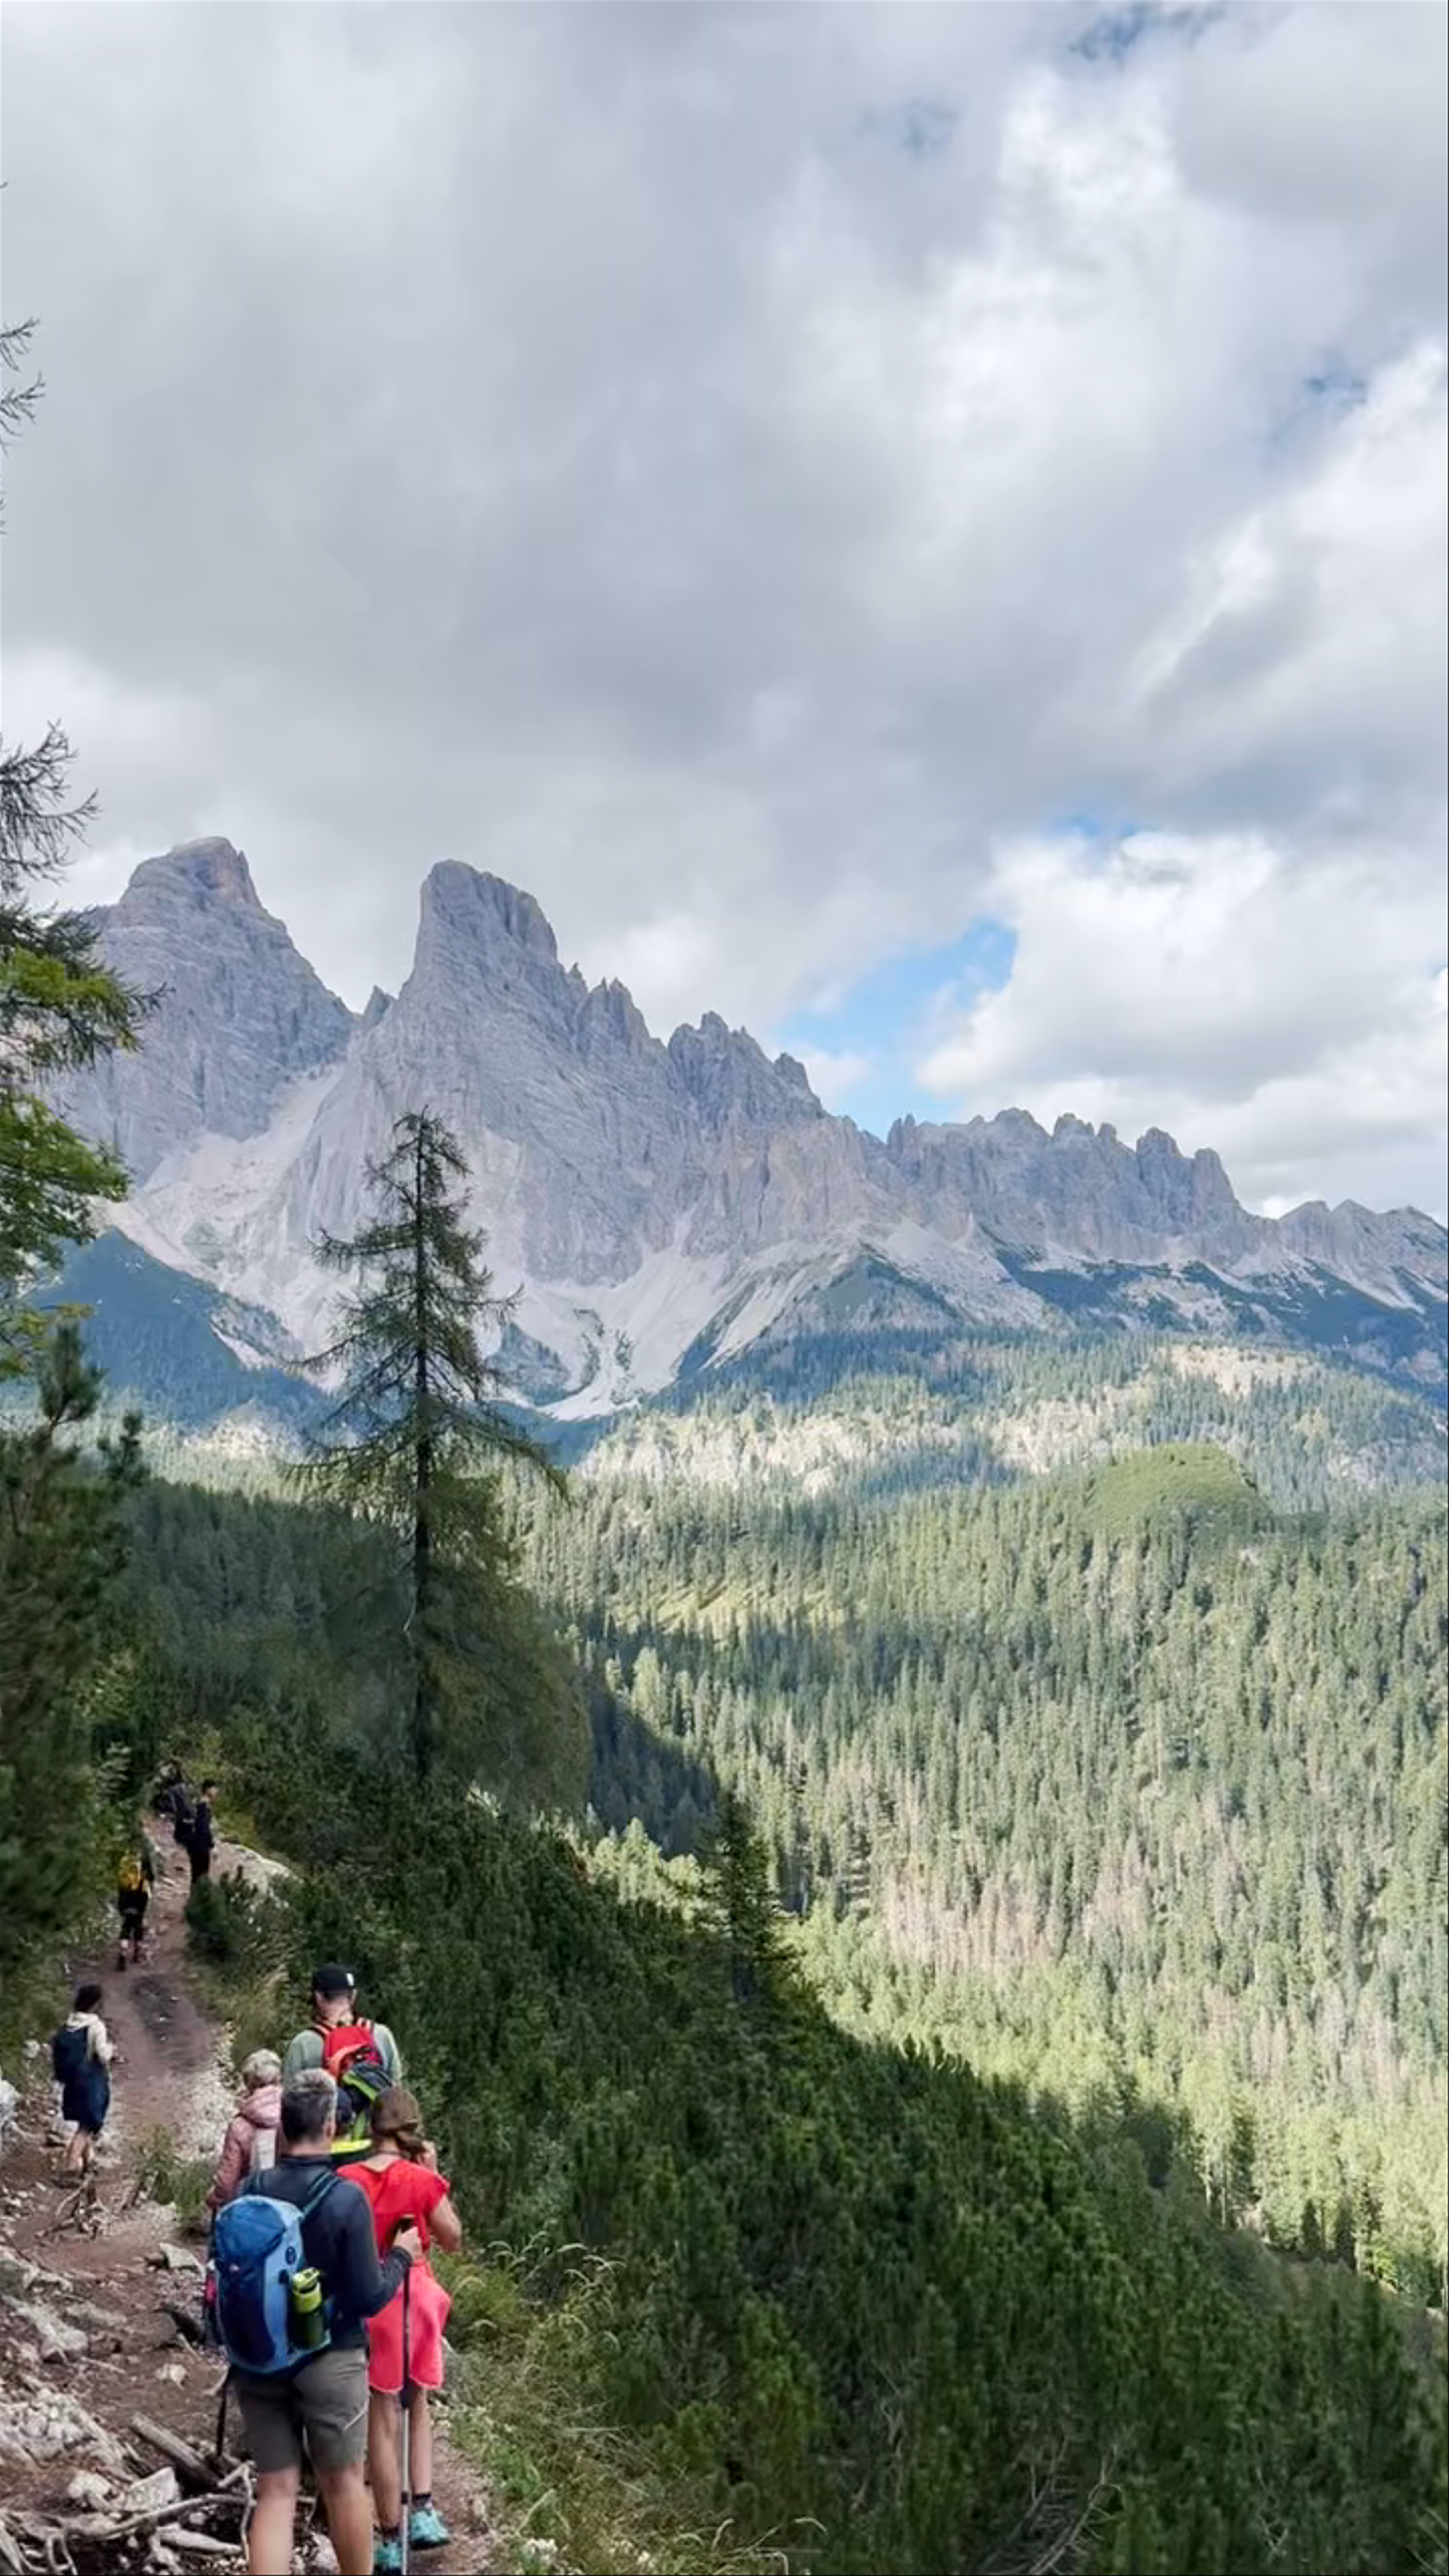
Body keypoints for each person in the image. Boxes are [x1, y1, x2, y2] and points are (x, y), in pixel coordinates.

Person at [229, 2068, 421, 2576]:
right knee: (343, 2484)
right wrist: (400, 2256)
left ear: (286, 2128)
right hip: (330, 2359)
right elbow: (368, 2296)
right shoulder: (344, 2198)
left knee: (276, 2490)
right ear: (334, 2127)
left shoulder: (250, 2188)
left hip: (258, 2357)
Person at [345, 2088, 462, 2565]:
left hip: (369, 2300)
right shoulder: (420, 2180)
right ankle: (424, 2509)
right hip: (414, 2300)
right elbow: (452, 2238)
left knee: (382, 2413)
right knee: (418, 2401)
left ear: (371, 2129)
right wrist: (433, 2175)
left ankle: (390, 2538)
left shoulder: (346, 2179)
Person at [205, 2048, 284, 2213]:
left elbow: (227, 2182)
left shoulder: (240, 2126)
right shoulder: (295, 2111)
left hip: (253, 2205)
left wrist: (213, 2198)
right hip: (289, 2200)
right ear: (279, 2079)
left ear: (248, 2084)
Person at [49, 1982, 114, 2175]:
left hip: (72, 2082)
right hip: (91, 2081)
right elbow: (102, 2055)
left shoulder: (69, 2024)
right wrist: (112, 2052)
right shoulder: (96, 2026)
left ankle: (89, 2162)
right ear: (96, 2004)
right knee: (87, 2126)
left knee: (83, 2121)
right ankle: (71, 2165)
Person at [115, 1825, 159, 1970]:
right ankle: (136, 1954)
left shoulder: (123, 1852)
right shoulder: (144, 1853)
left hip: (125, 1892)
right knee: (138, 1922)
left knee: (126, 1924)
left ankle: (122, 1953)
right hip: (141, 1893)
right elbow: (151, 1874)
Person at [187, 1780, 218, 1885]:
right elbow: (204, 1828)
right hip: (201, 1845)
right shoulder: (203, 1808)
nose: (217, 1792)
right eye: (215, 1789)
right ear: (208, 1790)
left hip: (195, 1845)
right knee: (201, 1877)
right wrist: (212, 1846)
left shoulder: (199, 1805)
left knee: (196, 1875)